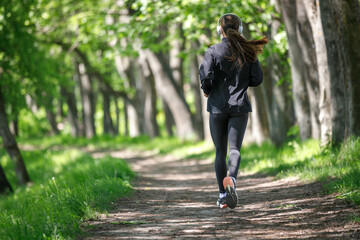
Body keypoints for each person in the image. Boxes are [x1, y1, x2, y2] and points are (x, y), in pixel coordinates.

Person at [199, 13, 268, 209]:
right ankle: (233, 182)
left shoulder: (212, 51)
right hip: (239, 107)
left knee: (220, 152)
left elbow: (205, 76)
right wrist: (242, 81)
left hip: (217, 108)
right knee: (235, 149)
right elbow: (257, 79)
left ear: (219, 30)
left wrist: (207, 91)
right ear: (240, 30)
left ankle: (222, 195)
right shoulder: (248, 52)